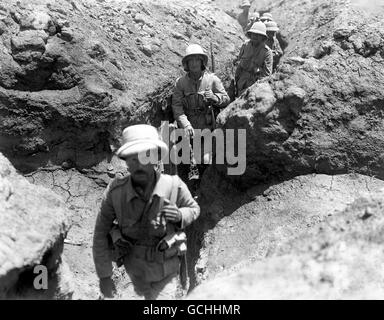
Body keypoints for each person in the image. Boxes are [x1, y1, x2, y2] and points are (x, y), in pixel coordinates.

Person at [93, 124, 200, 300]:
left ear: (157, 157)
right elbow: (100, 233)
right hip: (132, 266)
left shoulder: (174, 185)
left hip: (165, 266)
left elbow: (193, 209)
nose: (140, 164)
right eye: (133, 159)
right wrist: (105, 276)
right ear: (126, 161)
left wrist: (181, 215)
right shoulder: (115, 192)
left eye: (146, 156)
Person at [171, 44, 230, 192]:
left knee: (205, 161)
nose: (194, 64)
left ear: (202, 62)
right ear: (187, 64)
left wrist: (215, 98)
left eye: (197, 60)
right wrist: (185, 125)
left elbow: (226, 99)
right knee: (184, 159)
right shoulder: (181, 83)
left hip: (208, 127)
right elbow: (177, 107)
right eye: (191, 61)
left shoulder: (212, 80)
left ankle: (205, 186)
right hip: (189, 128)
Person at [234, 21, 273, 96]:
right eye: (253, 34)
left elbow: (266, 75)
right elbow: (239, 61)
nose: (255, 36)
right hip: (241, 81)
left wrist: (255, 88)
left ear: (262, 37)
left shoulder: (267, 52)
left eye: (258, 35)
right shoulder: (245, 45)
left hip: (255, 85)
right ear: (250, 34)